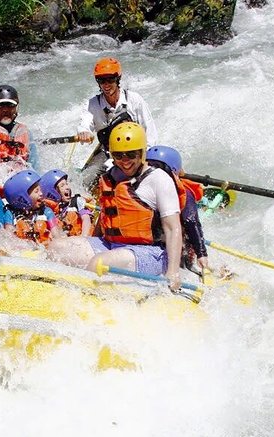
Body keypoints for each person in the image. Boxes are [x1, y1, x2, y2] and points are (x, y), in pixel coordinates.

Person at [49, 122, 182, 290]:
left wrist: (173, 272)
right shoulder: (110, 176)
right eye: (119, 155)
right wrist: (91, 241)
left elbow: (173, 228)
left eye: (131, 154)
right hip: (112, 244)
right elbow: (106, 216)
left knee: (99, 263)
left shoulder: (159, 179)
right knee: (57, 248)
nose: (125, 161)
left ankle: (82, 298)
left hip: (151, 253)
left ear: (142, 153)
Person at [76, 57, 158, 186]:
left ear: (118, 79)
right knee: (86, 180)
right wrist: (84, 132)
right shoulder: (92, 104)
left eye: (110, 79)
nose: (106, 84)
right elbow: (84, 124)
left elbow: (149, 132)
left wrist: (143, 158)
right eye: (102, 80)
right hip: (108, 151)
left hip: (136, 151)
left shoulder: (134, 99)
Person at [145, 145, 209, 270]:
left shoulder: (184, 192)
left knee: (184, 261)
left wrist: (201, 253)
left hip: (176, 241)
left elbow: (190, 222)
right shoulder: (141, 186)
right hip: (154, 241)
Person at [3, 169, 59, 245]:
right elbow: (8, 239)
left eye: (40, 190)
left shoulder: (47, 212)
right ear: (22, 198)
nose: (41, 193)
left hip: (45, 250)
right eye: (36, 191)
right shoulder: (11, 214)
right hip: (22, 251)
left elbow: (57, 237)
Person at [40, 169, 95, 237]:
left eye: (66, 184)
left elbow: (86, 218)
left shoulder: (76, 201)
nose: (68, 187)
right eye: (62, 185)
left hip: (84, 239)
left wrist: (84, 237)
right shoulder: (47, 211)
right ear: (52, 192)